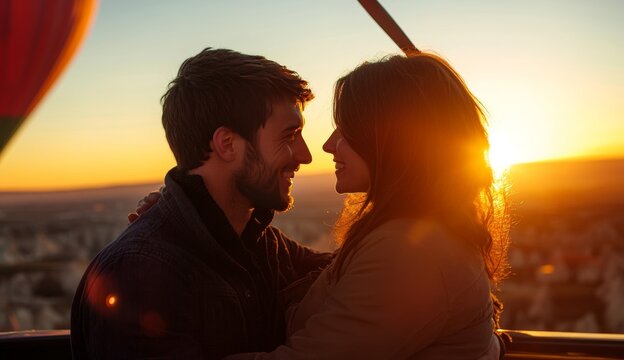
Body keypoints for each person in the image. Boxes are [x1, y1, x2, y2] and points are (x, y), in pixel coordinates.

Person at [224, 53, 508, 359]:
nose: (328, 145)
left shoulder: (411, 253)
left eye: (346, 129)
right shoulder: (422, 234)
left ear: (392, 140)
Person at [70, 48, 332, 359]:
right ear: (227, 144)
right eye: (290, 135)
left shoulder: (264, 245)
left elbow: (368, 271)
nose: (305, 155)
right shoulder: (141, 272)